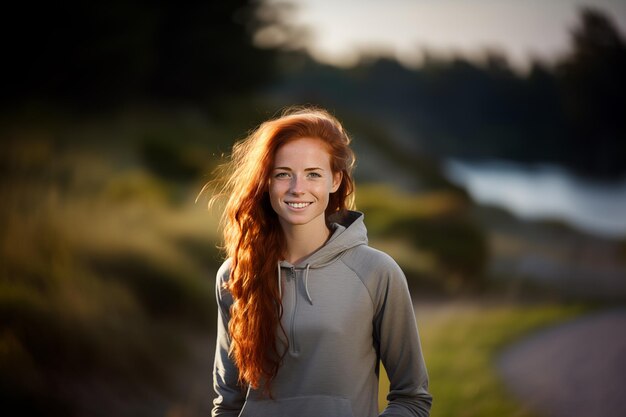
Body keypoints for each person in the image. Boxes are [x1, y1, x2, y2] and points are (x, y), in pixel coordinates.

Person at [208, 106, 432, 417]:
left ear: (335, 180)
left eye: (313, 174)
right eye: (283, 174)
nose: (297, 188)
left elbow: (412, 398)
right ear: (266, 182)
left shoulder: (376, 273)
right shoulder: (236, 275)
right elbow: (227, 403)